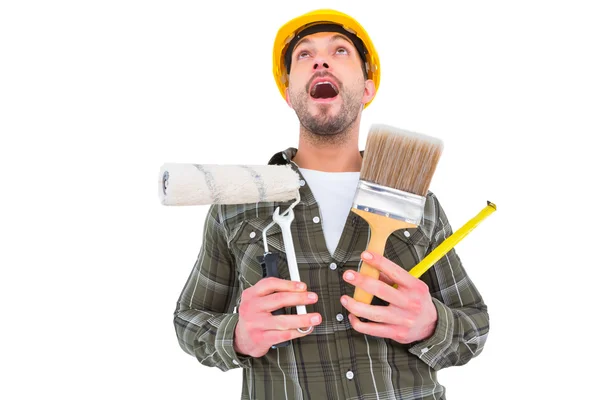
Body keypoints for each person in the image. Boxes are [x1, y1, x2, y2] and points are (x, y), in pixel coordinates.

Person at [174, 9, 489, 400]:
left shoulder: (416, 199)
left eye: (340, 51)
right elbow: (189, 320)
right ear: (289, 93)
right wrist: (236, 335)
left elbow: (474, 325)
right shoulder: (241, 202)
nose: (321, 60)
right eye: (304, 55)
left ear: (368, 87)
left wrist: (431, 324)